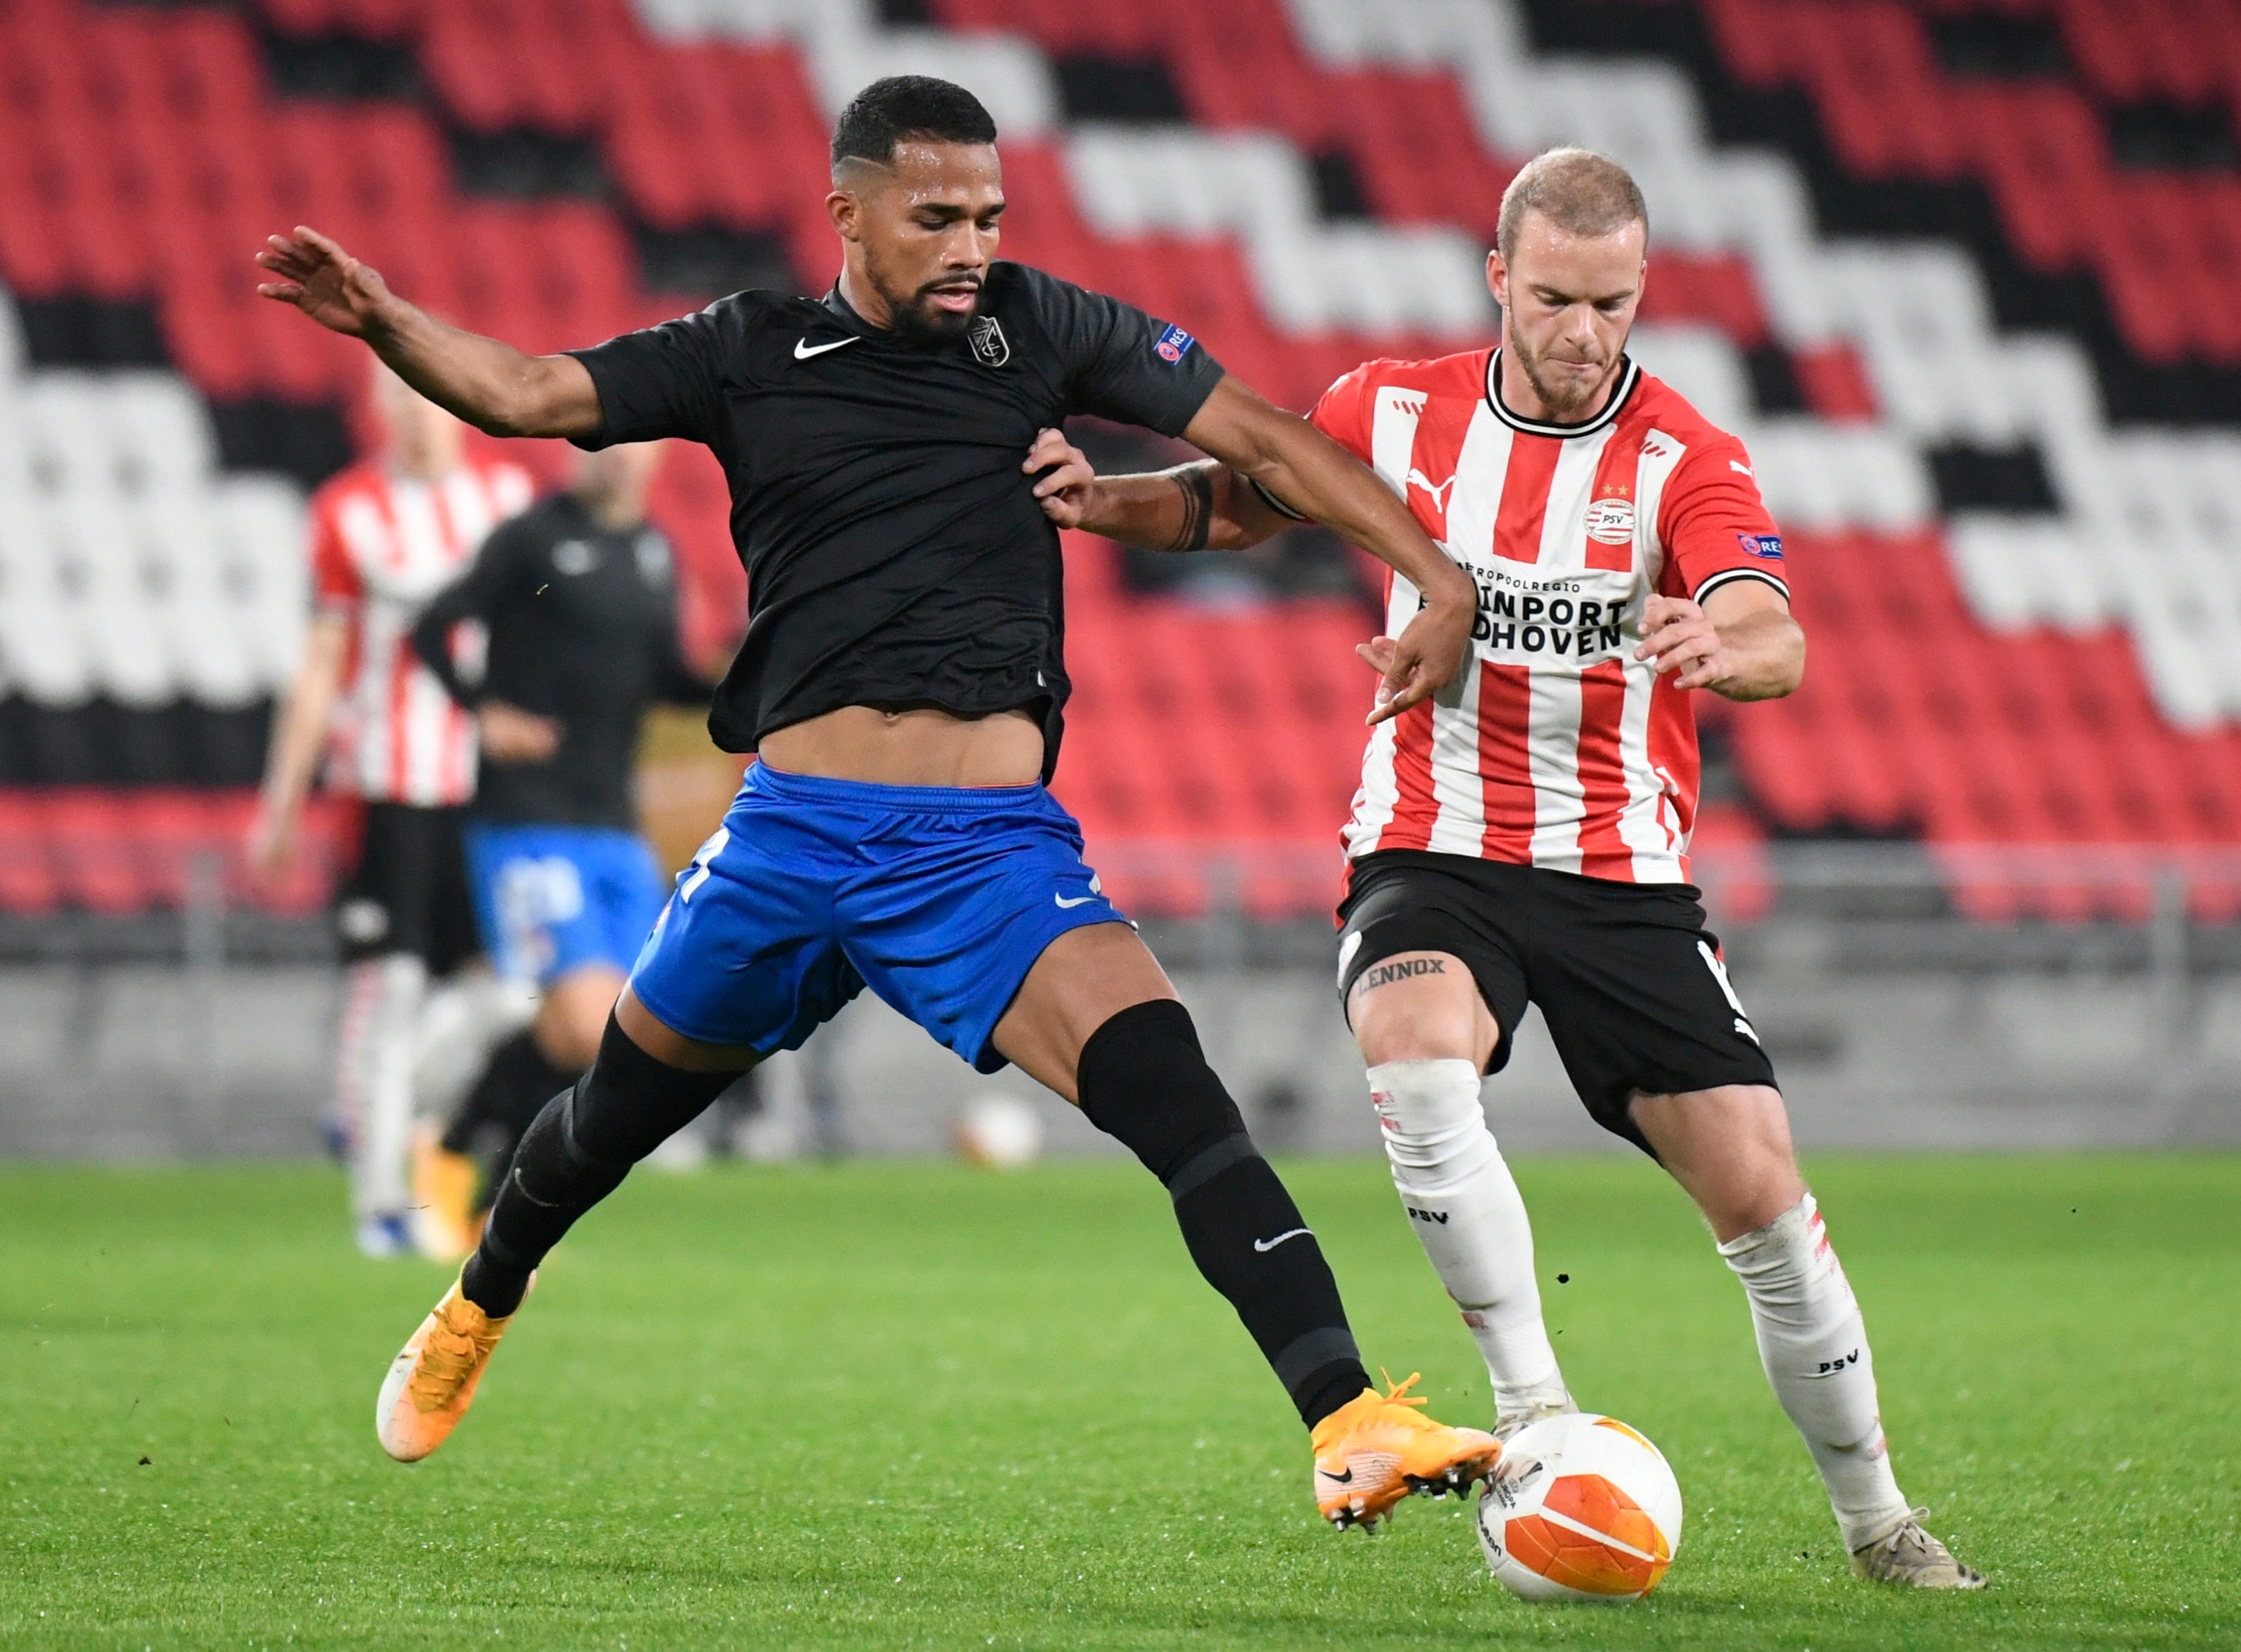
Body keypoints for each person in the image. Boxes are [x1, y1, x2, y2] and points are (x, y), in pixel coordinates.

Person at [255, 74, 1494, 1531]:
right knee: (606, 1116)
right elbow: (528, 393)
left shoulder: (1046, 326)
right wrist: (389, 322)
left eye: (988, 211)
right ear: (845, 211)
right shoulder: (745, 349)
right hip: (789, 836)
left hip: (980, 854)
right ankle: (478, 1296)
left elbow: (1273, 444)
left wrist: (1439, 577)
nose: (970, 240)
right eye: (935, 214)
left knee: (1177, 1091)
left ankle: (1348, 1415)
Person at [1040, 148, 1984, 1587]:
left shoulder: (1689, 454)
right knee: (1412, 1042)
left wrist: (1728, 645)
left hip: (1621, 875)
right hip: (1434, 850)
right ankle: (1535, 1411)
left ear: (1640, 290)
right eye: (1552, 297)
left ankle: (1878, 1516)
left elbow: (1769, 625)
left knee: (1760, 1192)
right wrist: (1100, 500)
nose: (1580, 332)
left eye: (1610, 303)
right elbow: (1241, 501)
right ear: (1499, 278)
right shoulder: (1390, 407)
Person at [249, 359, 533, 1257]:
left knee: (509, 993)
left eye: (430, 397)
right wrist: (282, 799)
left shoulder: (508, 499)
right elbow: (322, 661)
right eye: (399, 401)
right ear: (375, 412)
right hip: (386, 781)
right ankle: (380, 1203)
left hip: (487, 787)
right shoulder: (348, 512)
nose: (418, 416)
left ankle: (371, 1106)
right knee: (395, 984)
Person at [405, 440, 713, 1254]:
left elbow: (665, 677)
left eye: (638, 442)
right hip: (530, 814)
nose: (622, 456)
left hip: (614, 822)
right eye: (608, 441)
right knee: (582, 1026)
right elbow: (435, 624)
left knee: (619, 1035)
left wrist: (747, 679)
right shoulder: (532, 538)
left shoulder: (654, 551)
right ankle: (465, 1145)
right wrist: (485, 708)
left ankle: (475, 1177)